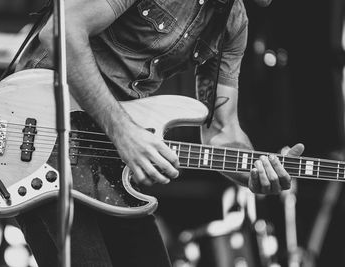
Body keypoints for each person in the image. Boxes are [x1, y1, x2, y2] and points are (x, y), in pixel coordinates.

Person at [15, 0, 305, 266]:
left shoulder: (233, 21)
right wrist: (124, 132)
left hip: (107, 167)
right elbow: (63, 30)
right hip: (40, 136)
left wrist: (253, 171)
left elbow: (221, 129)